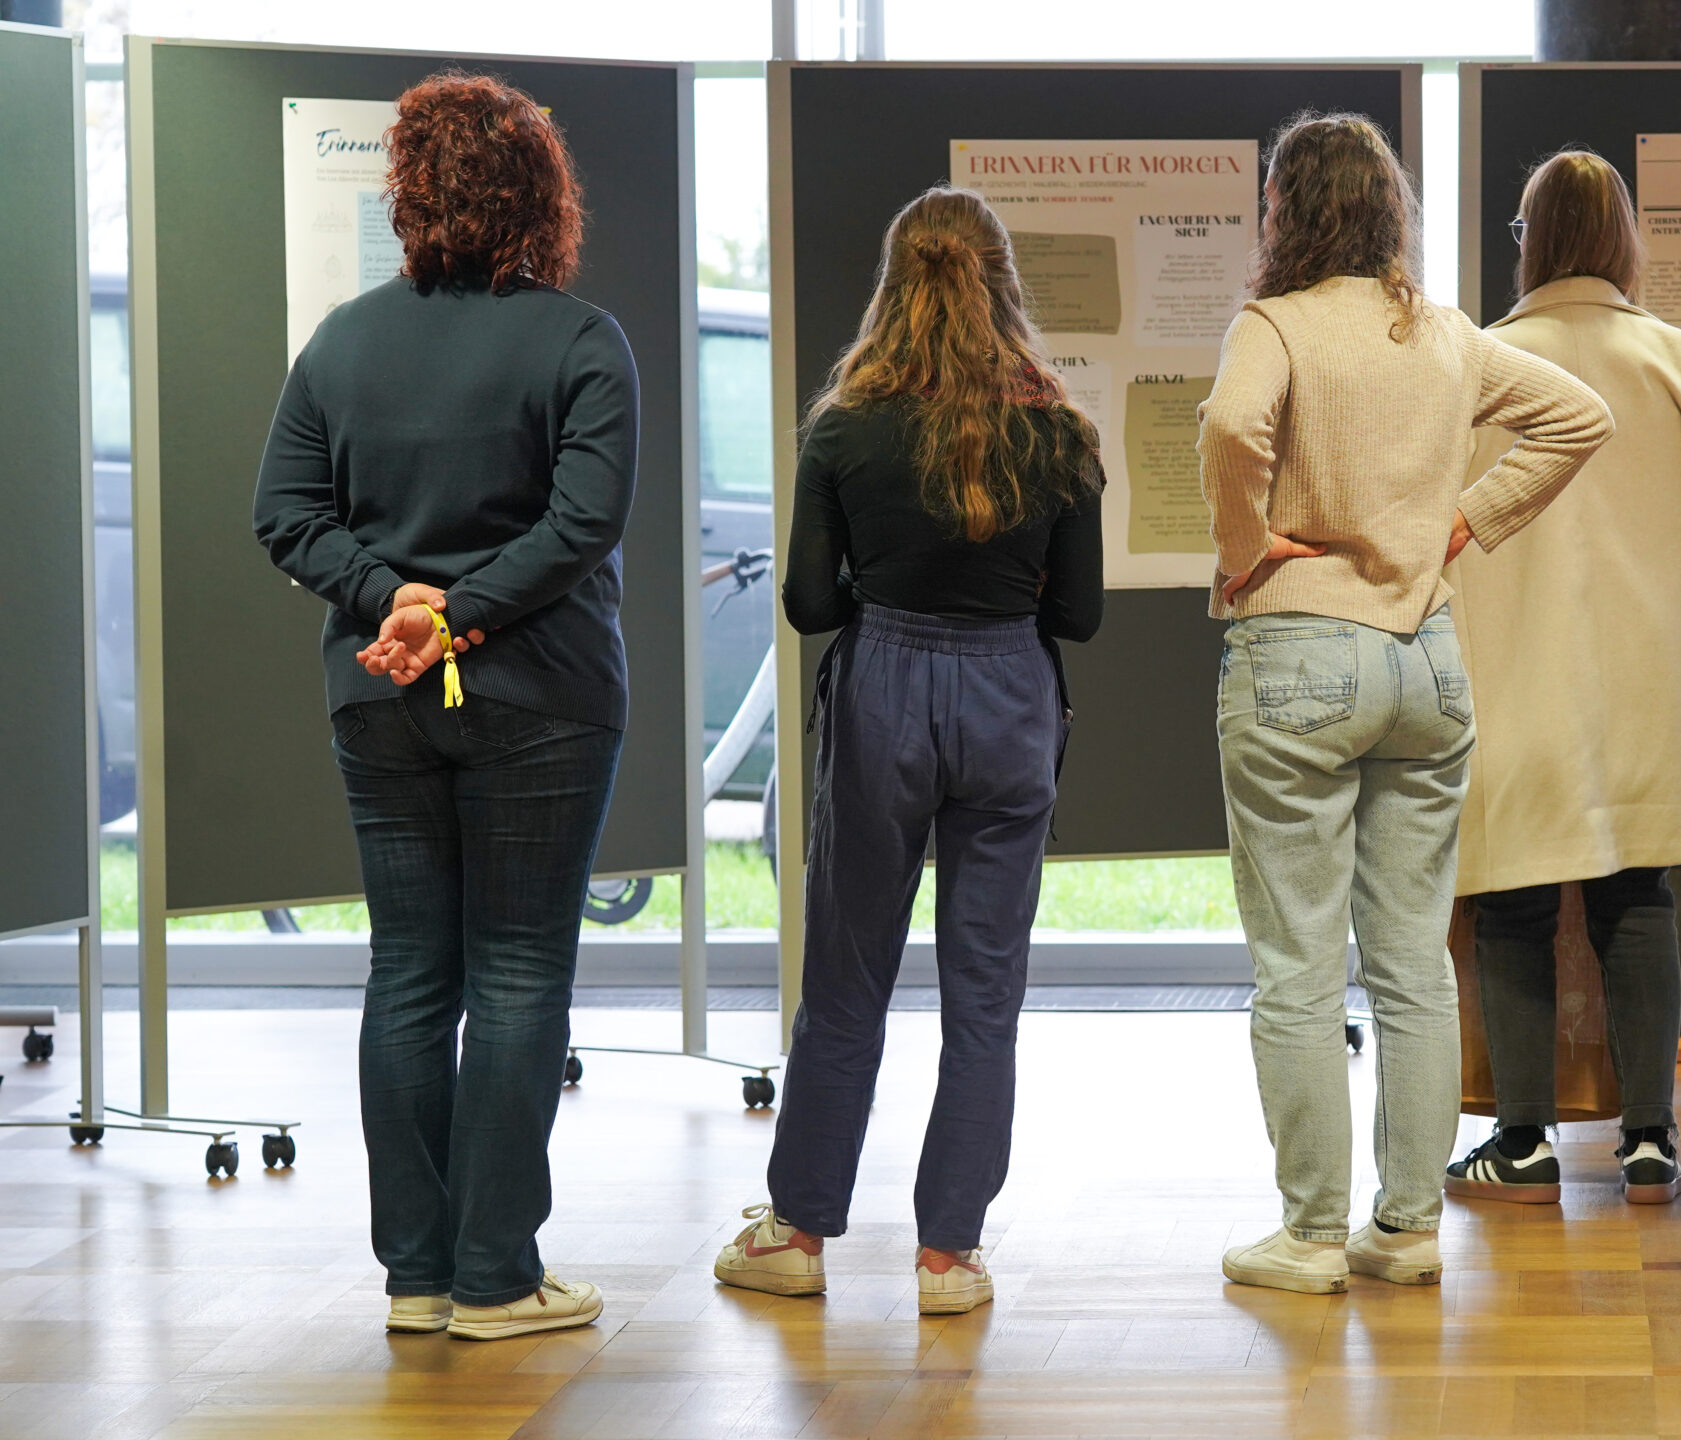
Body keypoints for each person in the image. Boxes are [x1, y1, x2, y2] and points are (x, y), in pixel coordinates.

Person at [1200, 112, 1611, 1294]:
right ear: (1388, 209)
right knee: (1414, 963)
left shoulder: (1271, 324)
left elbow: (1232, 426)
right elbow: (1580, 418)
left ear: (1286, 207)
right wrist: (1463, 525)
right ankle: (1411, 1226)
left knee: (1296, 964)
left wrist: (1246, 546)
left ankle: (1312, 1236)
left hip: (1297, 653)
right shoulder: (1440, 330)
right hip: (1426, 661)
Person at [252, 73, 634, 1339]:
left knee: (410, 971)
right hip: (542, 693)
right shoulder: (582, 340)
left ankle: (416, 1278)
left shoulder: (343, 340)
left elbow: (286, 515)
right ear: (542, 192)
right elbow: (582, 526)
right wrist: (453, 615)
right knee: (518, 971)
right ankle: (494, 1278)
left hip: (378, 700)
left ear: (406, 189)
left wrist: (395, 605)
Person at [711, 187, 1103, 1315]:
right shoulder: (1059, 430)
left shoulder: (843, 427)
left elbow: (803, 603)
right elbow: (1076, 617)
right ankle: (948, 1256)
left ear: (893, 285)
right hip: (1010, 698)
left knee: (846, 979)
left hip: (883, 684)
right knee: (985, 991)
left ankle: (797, 1235)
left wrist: (885, 583)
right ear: (1001, 284)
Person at [1439, 149, 1681, 1206]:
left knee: (1514, 906)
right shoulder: (1674, 353)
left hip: (1513, 670)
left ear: (1530, 241)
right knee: (1637, 901)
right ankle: (1651, 1137)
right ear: (1623, 237)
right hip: (1651, 681)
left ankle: (1522, 1138)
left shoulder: (1481, 358)